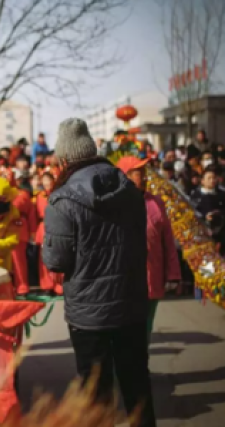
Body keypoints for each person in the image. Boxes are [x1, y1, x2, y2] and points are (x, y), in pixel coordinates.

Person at [42, 118, 156, 427]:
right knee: (137, 386)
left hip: (88, 313)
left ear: (63, 159)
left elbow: (57, 261)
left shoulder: (62, 199)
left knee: (95, 393)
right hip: (131, 303)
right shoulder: (130, 191)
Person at [116, 156, 181, 340]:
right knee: (124, 332)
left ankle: (139, 367)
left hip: (152, 280)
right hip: (123, 283)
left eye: (144, 172)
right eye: (139, 172)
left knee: (144, 330)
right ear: (125, 176)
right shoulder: (114, 205)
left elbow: (167, 241)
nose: (144, 177)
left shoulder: (156, 203)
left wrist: (173, 274)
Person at [35, 172, 63, 296]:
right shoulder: (39, 196)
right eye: (44, 180)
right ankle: (46, 285)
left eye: (48, 179)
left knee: (58, 255)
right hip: (43, 227)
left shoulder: (59, 194)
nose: (46, 183)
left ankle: (59, 284)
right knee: (43, 258)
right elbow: (33, 214)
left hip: (57, 226)